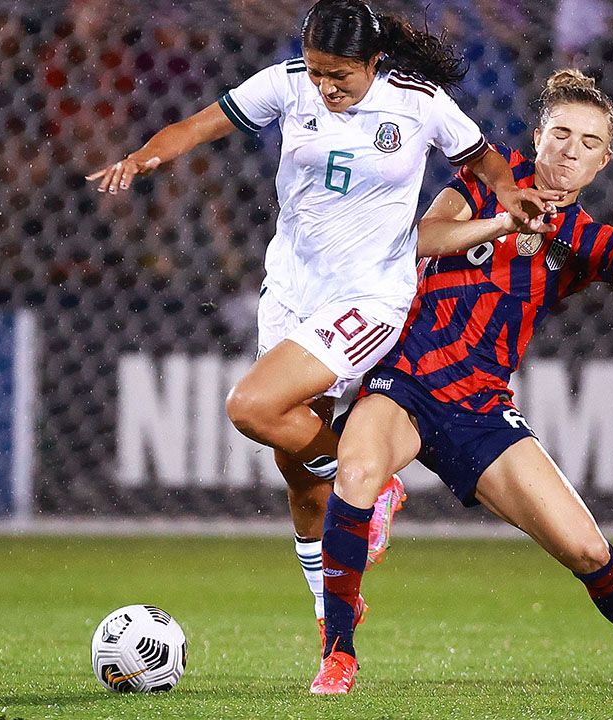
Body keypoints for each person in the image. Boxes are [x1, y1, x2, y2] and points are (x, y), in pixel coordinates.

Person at [87, 0, 559, 648]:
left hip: (370, 295)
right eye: (317, 72)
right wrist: (145, 155)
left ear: (374, 63)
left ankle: (376, 484)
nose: (327, 87)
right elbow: (199, 126)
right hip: (291, 290)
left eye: (340, 75)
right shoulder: (285, 85)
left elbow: (484, 160)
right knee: (293, 465)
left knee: (251, 406)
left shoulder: (417, 103)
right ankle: (329, 605)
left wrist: (509, 196)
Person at [311, 68, 613, 695]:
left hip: (482, 410)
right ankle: (338, 651)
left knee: (587, 552)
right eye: (561, 133)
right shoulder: (491, 174)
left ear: (603, 162)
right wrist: (507, 223)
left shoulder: (580, 238)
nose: (570, 150)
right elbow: (422, 236)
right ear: (537, 137)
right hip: (405, 382)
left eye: (588, 143)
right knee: (357, 472)